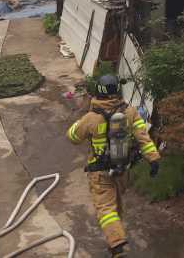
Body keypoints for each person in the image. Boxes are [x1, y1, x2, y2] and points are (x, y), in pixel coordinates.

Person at [67, 72, 161, 257]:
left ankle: (117, 244)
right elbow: (143, 137)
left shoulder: (91, 117)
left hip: (100, 173)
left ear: (98, 92)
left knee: (106, 209)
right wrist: (154, 158)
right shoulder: (130, 112)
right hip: (123, 170)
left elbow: (72, 137)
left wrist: (79, 122)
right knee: (116, 205)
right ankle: (116, 241)